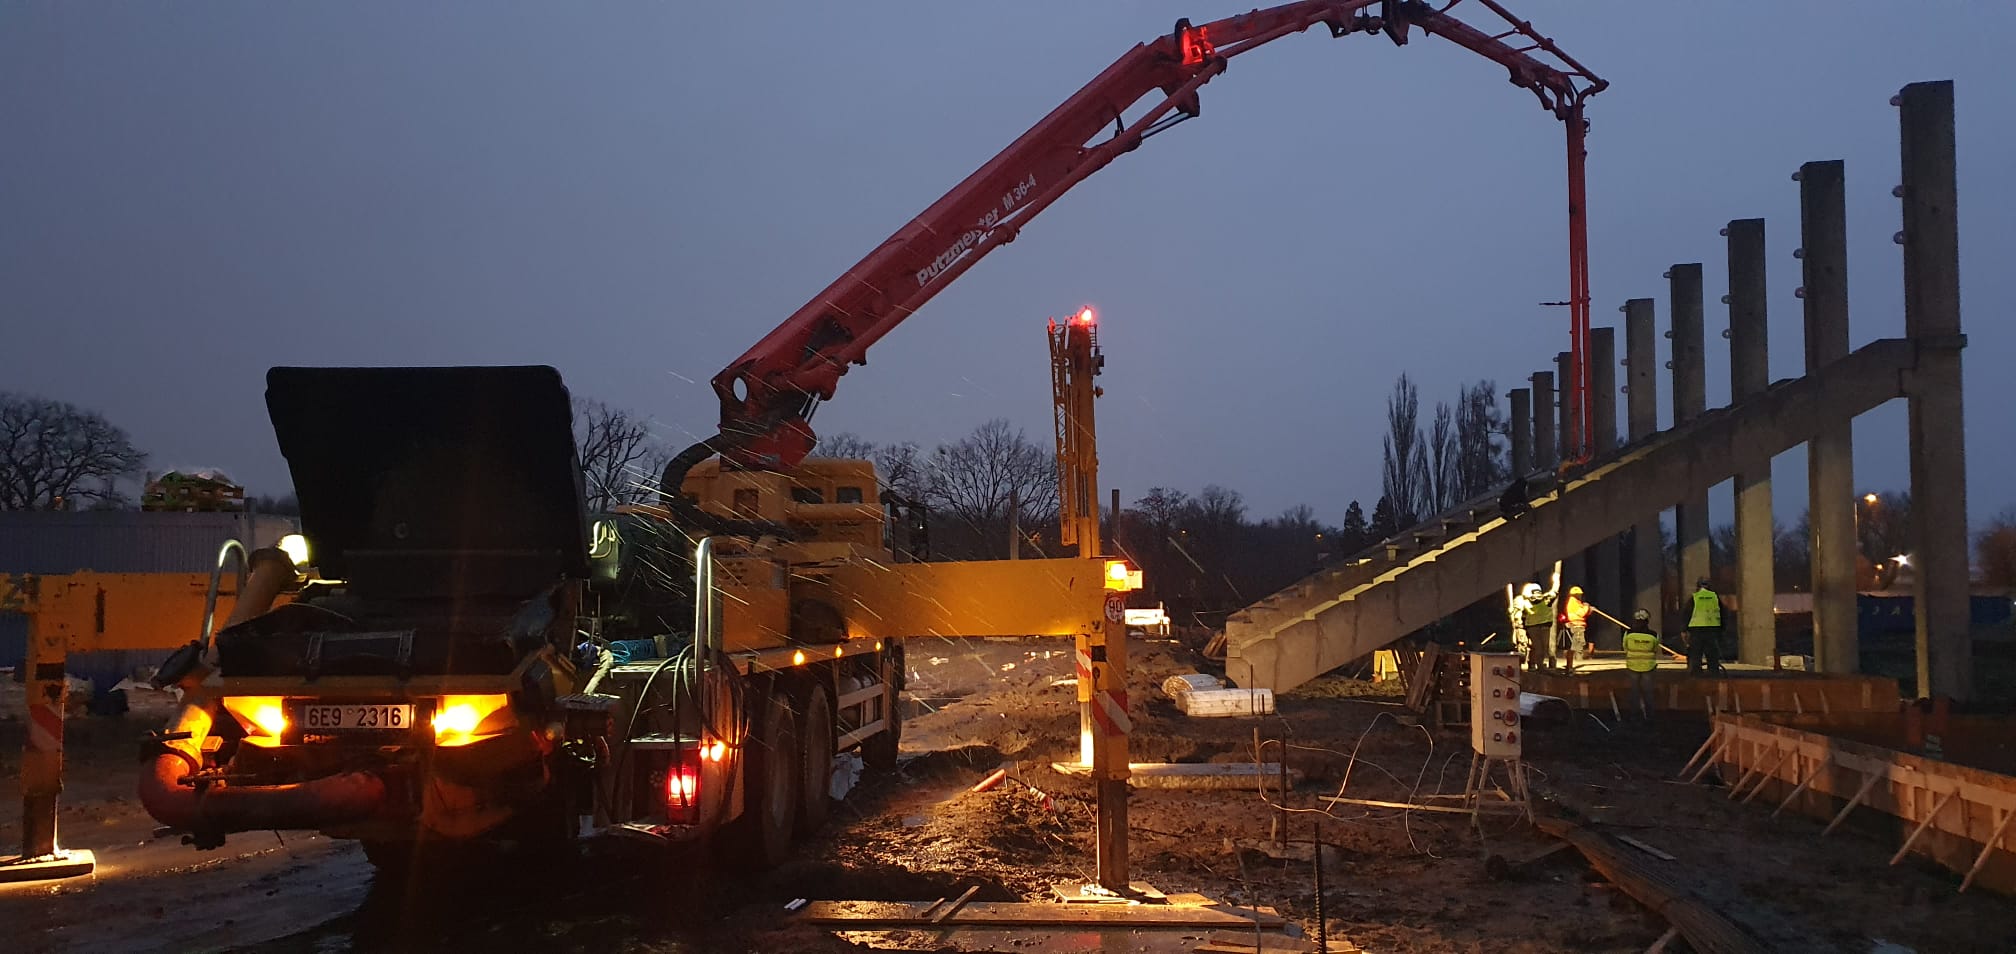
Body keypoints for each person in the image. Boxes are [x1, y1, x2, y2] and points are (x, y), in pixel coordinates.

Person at [1621, 608, 1662, 720]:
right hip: (1648, 667)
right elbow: (1655, 649)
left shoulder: (1628, 634)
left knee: (1634, 691)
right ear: (1647, 621)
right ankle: (1650, 716)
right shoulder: (1653, 635)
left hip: (1632, 666)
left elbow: (1625, 647)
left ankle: (1634, 715)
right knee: (1648, 692)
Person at [1686, 578, 1726, 675]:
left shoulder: (1695, 597)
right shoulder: (1715, 597)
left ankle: (1695, 673)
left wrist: (1684, 629)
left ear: (1698, 586)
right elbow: (1723, 613)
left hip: (1696, 630)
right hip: (1712, 629)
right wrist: (1723, 628)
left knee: (1695, 653)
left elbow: (1687, 613)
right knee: (1712, 653)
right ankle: (1713, 673)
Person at [1559, 585, 1592, 673]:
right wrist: (1586, 607)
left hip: (1578, 625)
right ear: (1575, 595)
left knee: (1577, 644)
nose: (1580, 596)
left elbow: (1583, 613)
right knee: (1577, 644)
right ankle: (1574, 662)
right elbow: (1580, 613)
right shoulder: (1573, 602)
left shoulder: (1577, 602)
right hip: (1577, 625)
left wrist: (1588, 610)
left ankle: (1573, 662)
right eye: (1579, 594)